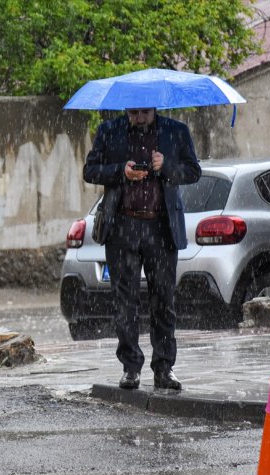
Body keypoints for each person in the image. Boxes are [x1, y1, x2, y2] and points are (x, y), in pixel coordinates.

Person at [83, 107, 201, 391]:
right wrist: (120, 171)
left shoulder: (176, 131)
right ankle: (131, 368)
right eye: (133, 113)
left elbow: (193, 171)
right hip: (123, 227)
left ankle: (164, 368)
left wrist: (167, 166)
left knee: (164, 300)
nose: (138, 118)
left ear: (154, 108)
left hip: (161, 228)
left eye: (144, 112)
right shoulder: (109, 132)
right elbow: (90, 170)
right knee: (125, 301)